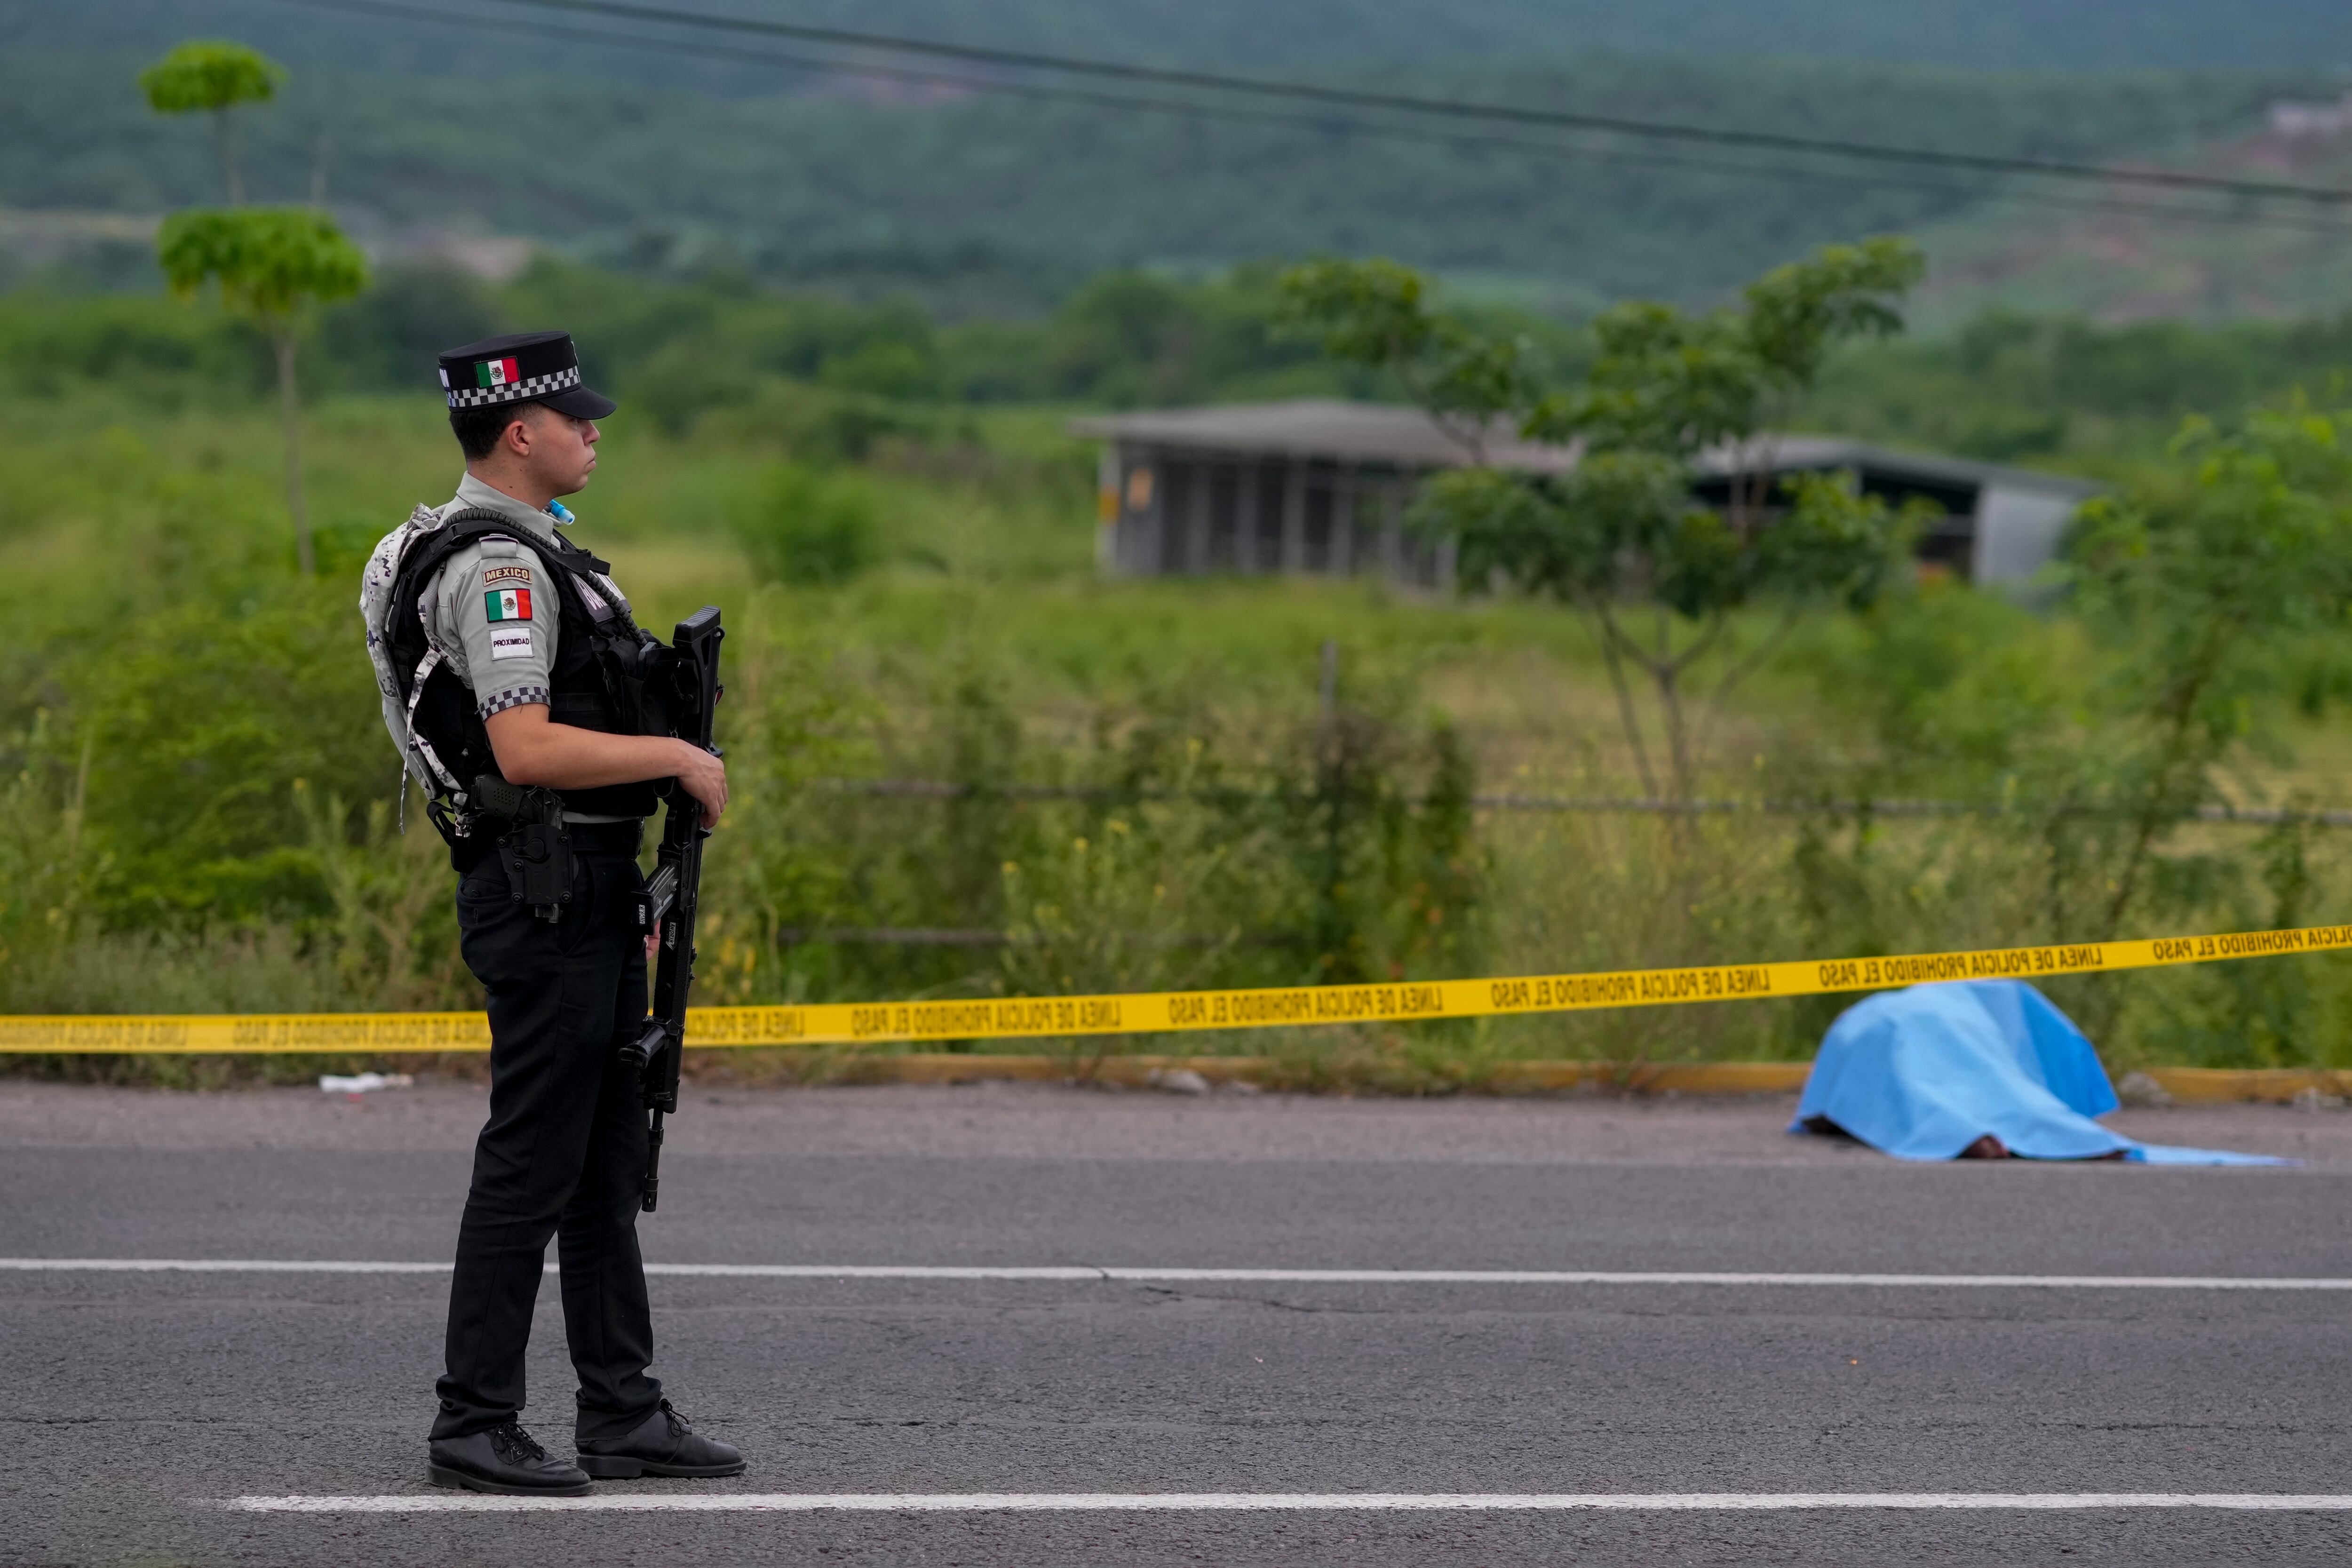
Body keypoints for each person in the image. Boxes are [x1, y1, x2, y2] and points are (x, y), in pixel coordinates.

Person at [388, 331, 742, 1496]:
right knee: (534, 1158)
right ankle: (474, 1420)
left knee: (601, 1158)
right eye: (573, 417)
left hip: (584, 883)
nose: (593, 430)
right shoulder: (500, 566)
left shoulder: (534, 550)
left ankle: (621, 1410)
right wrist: (677, 757)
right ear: (517, 432)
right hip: (544, 891)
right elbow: (525, 747)